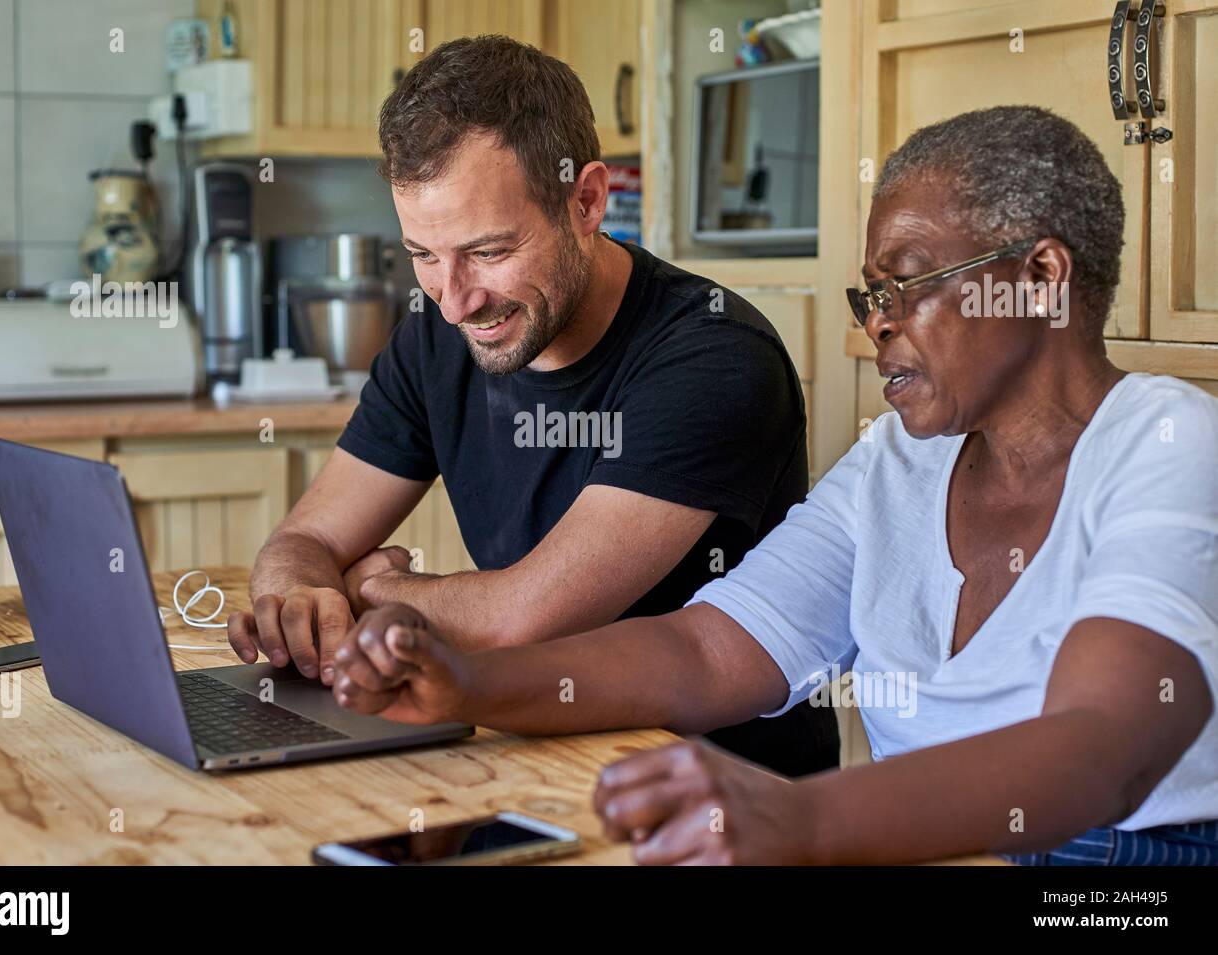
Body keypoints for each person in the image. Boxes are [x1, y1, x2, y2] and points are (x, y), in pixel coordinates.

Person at [327, 105, 1218, 866]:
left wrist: (801, 815)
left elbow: (1109, 747)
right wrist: (469, 684)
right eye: (868, 294)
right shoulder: (894, 467)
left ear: (1040, 278)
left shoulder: (1169, 440)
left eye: (908, 284)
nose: (879, 325)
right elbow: (706, 651)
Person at [226, 35, 838, 777]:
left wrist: (368, 590)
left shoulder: (715, 357)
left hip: (712, 793)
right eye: (423, 255)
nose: (454, 299)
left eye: (486, 251)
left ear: (585, 200)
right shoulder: (436, 335)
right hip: (526, 750)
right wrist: (298, 589)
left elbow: (522, 617)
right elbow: (305, 537)